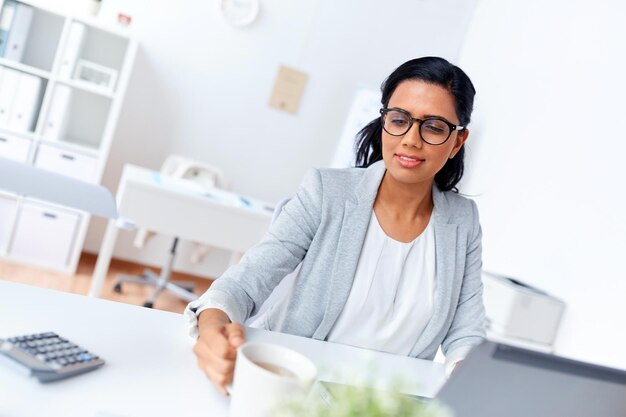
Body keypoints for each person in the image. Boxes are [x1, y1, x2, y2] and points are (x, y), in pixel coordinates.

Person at [185, 56, 486, 395]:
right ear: (384, 120)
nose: (411, 139)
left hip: (383, 404)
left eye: (433, 127)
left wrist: (468, 374)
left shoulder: (463, 221)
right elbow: (246, 282)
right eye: (399, 119)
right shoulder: (325, 192)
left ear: (457, 141)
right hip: (295, 389)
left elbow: (466, 328)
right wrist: (213, 326)